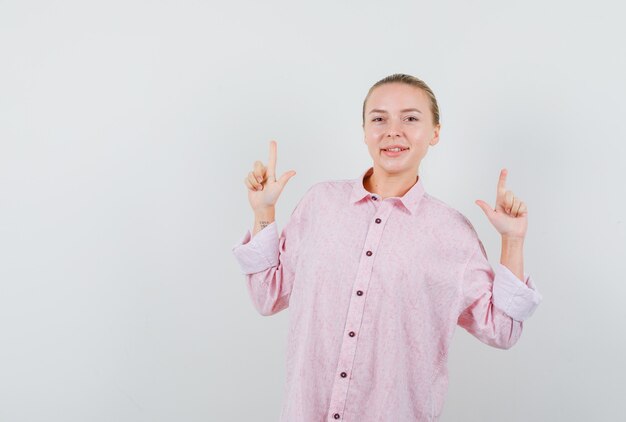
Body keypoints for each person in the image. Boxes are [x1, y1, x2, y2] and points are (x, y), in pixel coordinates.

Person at [231, 73, 543, 422]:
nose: (393, 130)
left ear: (435, 133)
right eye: (379, 119)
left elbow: (501, 330)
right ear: (365, 131)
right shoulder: (320, 204)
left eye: (410, 118)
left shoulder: (452, 234)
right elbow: (267, 296)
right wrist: (263, 212)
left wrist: (512, 241)